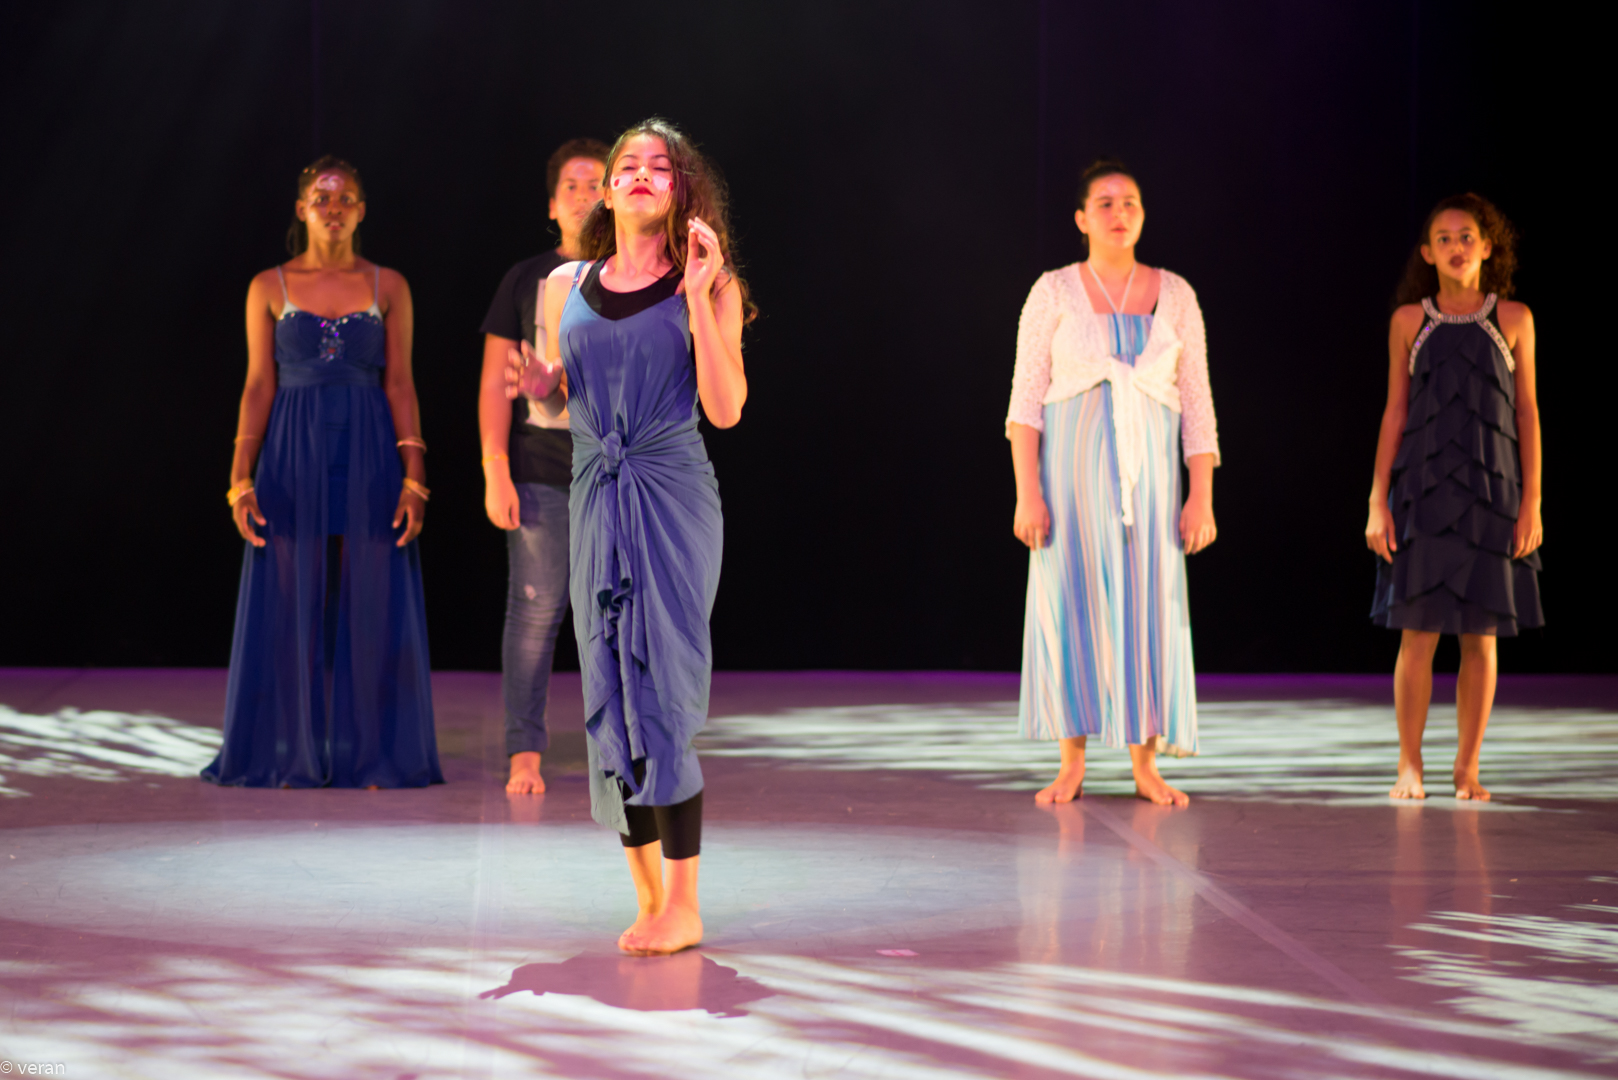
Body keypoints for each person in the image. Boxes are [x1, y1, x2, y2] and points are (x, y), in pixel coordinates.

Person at [509, 118, 750, 953]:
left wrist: (700, 295)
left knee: (663, 685)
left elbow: (725, 408)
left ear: (681, 192)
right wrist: (544, 387)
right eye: (628, 166)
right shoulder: (563, 285)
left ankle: (685, 902)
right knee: (607, 681)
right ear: (607, 192)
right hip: (593, 491)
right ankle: (649, 900)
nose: (642, 174)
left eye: (660, 166)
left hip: (670, 491)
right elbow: (558, 406)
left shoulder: (708, 283)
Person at [204, 157, 442, 789]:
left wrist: (414, 475)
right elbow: (258, 385)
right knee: (292, 603)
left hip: (367, 449)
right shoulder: (268, 285)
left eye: (345, 197)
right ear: (302, 210)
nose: (333, 206)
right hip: (291, 452)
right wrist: (240, 477)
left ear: (361, 211)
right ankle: (294, 753)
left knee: (371, 602)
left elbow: (400, 383)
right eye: (321, 196)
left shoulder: (389, 284)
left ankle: (371, 755)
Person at [1006, 160, 1219, 808]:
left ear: (1143, 215)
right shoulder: (1053, 291)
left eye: (1129, 202)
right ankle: (1071, 762)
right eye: (1104, 202)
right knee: (1069, 599)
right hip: (1069, 482)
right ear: (1081, 218)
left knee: (1148, 606)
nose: (1118, 212)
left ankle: (1144, 765)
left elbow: (1198, 404)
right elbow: (1025, 401)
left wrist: (1201, 496)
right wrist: (1027, 492)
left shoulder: (1175, 294)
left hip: (1149, 487)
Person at [1365, 193, 1542, 801]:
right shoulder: (1408, 322)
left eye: (1467, 236)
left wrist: (1532, 502)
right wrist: (1377, 500)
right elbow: (1394, 412)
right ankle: (1409, 764)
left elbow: (1527, 414)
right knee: (1417, 634)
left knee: (1480, 636)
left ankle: (1467, 768)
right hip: (1423, 490)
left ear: (1487, 247)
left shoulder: (1514, 318)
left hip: (1493, 492)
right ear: (1427, 253)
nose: (1456, 247)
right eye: (1444, 238)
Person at [479, 138, 610, 796]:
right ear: (552, 205)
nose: (584, 197)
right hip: (540, 467)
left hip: (614, 470)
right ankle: (523, 751)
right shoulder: (526, 278)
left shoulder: (632, 273)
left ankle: (617, 747)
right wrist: (495, 469)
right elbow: (494, 383)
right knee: (534, 613)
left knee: (612, 615)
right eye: (572, 187)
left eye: (596, 184)